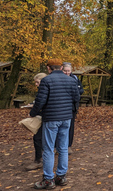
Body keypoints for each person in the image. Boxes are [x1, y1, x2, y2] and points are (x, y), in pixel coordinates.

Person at [30, 58, 80, 189]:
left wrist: (32, 113)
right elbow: (76, 98)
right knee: (63, 148)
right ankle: (61, 176)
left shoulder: (46, 80)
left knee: (48, 149)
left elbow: (40, 100)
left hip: (51, 118)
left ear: (48, 68)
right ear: (62, 68)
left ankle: (48, 179)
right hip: (66, 118)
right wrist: (72, 111)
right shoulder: (71, 80)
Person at [25, 73, 47, 171]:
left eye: (37, 82)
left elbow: (41, 103)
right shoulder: (43, 90)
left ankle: (39, 160)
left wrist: (32, 113)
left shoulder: (44, 90)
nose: (36, 85)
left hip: (46, 117)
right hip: (47, 116)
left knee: (38, 138)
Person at [62, 62, 84, 155]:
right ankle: (59, 146)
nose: (67, 72)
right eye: (65, 71)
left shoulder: (75, 78)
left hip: (72, 107)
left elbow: (81, 90)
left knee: (70, 126)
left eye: (68, 71)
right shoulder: (60, 79)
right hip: (62, 106)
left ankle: (68, 145)